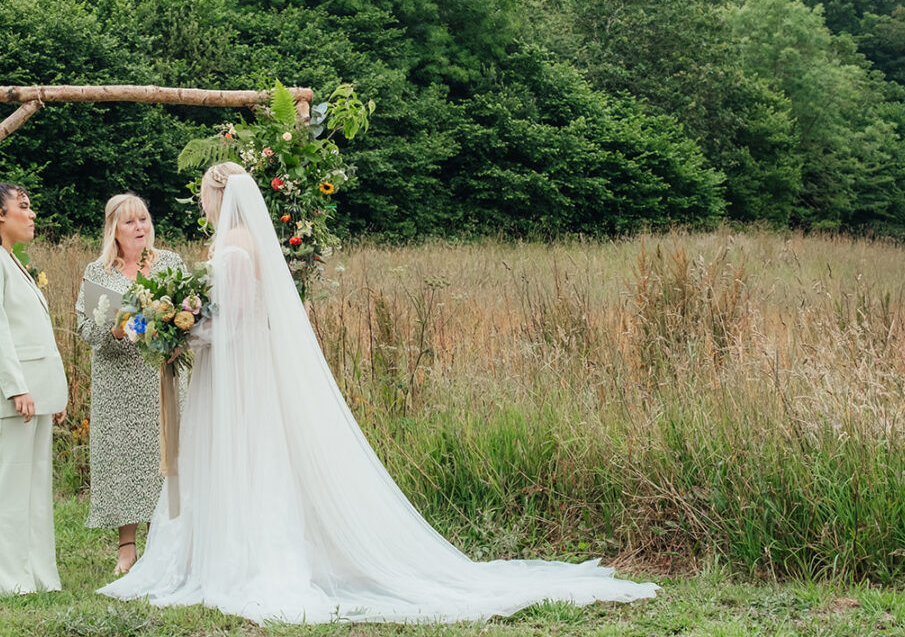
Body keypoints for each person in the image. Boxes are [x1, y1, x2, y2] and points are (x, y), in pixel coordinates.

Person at [99, 162, 658, 624]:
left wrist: (183, 333)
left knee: (244, 457)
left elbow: (234, 325)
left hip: (236, 379)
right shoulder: (243, 245)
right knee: (250, 460)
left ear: (221, 198)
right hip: (235, 378)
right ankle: (225, 550)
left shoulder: (236, 249)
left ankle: (242, 559)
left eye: (204, 198)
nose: (203, 207)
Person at [0, 179, 68, 599]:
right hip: (12, 398)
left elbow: (33, 333)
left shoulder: (11, 260)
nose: (32, 212)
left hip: (36, 395)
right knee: (5, 487)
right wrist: (16, 388)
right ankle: (6, 583)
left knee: (35, 489)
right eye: (23, 205)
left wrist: (52, 392)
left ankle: (38, 576)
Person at [75, 193, 186, 575]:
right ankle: (127, 545)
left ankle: (166, 541)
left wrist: (176, 339)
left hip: (163, 377)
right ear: (114, 230)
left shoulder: (169, 263)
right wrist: (117, 330)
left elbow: (190, 312)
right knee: (123, 458)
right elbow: (86, 329)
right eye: (130, 222)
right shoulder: (99, 272)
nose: (140, 227)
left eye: (143, 220)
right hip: (119, 379)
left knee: (166, 455)